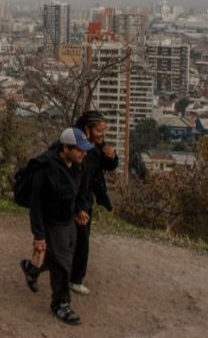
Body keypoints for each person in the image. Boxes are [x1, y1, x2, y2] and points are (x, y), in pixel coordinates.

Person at [21, 126, 94, 325]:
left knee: (62, 258)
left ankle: (31, 268)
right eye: (79, 149)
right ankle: (60, 303)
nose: (83, 153)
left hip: (68, 220)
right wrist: (39, 235)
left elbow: (75, 191)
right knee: (63, 264)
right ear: (65, 148)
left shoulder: (76, 165)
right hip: (51, 223)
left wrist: (78, 209)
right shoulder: (45, 168)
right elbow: (35, 205)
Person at [69, 110, 119, 296]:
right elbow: (74, 180)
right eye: (99, 130)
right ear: (87, 129)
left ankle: (69, 276)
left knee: (76, 240)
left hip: (86, 199)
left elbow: (105, 165)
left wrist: (113, 158)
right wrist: (78, 207)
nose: (102, 135)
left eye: (104, 130)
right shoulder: (76, 145)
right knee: (77, 241)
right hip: (74, 200)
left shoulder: (96, 145)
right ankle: (73, 279)